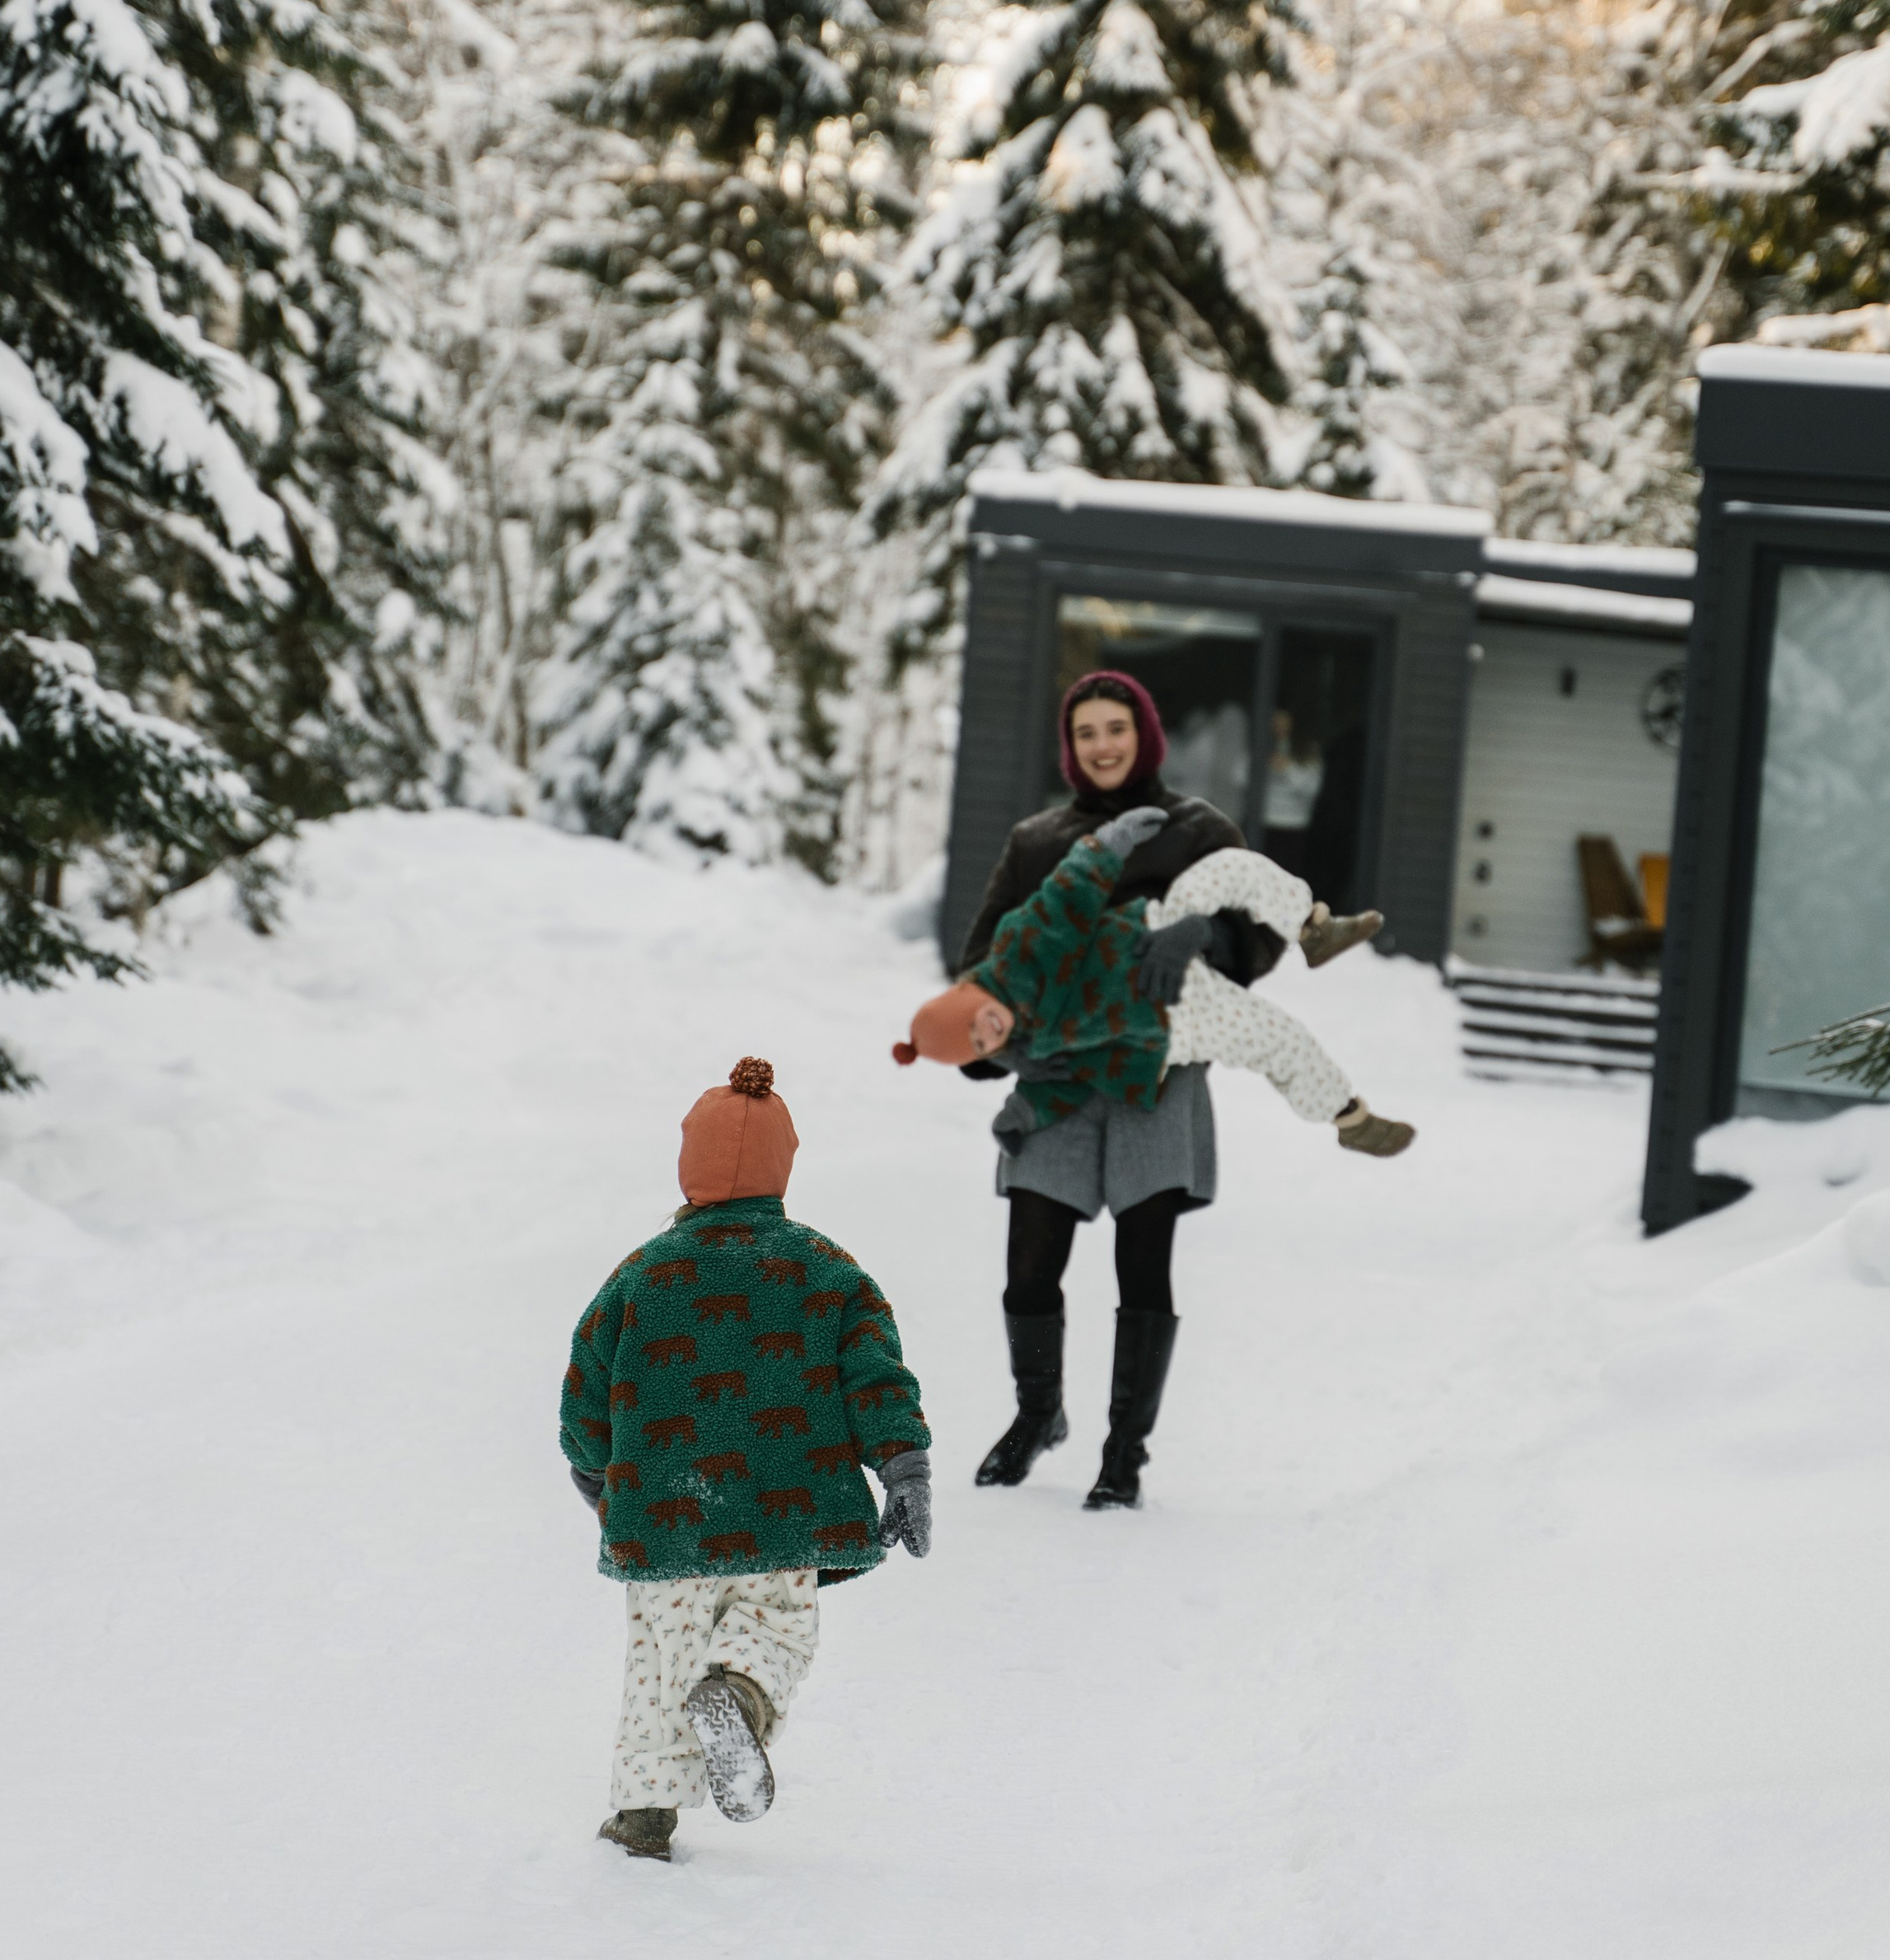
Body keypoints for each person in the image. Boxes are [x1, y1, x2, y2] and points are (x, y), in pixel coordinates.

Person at [951, 670, 1384, 1511]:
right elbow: (979, 967)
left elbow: (1257, 939)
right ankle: (1037, 1415)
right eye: (1085, 734)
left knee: (1142, 1267)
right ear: (1069, 748)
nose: (1102, 745)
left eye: (1116, 729)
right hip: (1060, 1084)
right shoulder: (1036, 840)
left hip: (1161, 1077)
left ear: (1143, 736)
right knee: (1030, 1267)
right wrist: (1000, 1048)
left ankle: (1124, 1454)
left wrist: (1202, 934)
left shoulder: (1198, 829)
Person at [559, 1056, 931, 1862]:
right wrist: (903, 1464)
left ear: (687, 1167)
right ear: (782, 1167)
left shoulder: (640, 1275)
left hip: (666, 1515)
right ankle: (739, 1692)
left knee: (661, 1662)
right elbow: (876, 1373)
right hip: (784, 1507)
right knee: (774, 1621)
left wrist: (594, 1467)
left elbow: (586, 1382)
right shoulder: (827, 1269)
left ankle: (642, 1821)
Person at [896, 799, 1416, 1152]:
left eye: (974, 1023)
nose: (989, 1032)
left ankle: (1312, 928)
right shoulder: (1032, 1055)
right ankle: (1350, 1119)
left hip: (1150, 934)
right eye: (980, 1045)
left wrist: (1107, 844)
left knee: (1228, 867)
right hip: (1171, 1023)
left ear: (969, 993)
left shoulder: (1020, 950)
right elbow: (1067, 1089)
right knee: (1279, 1038)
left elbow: (1066, 897)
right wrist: (1023, 1116)